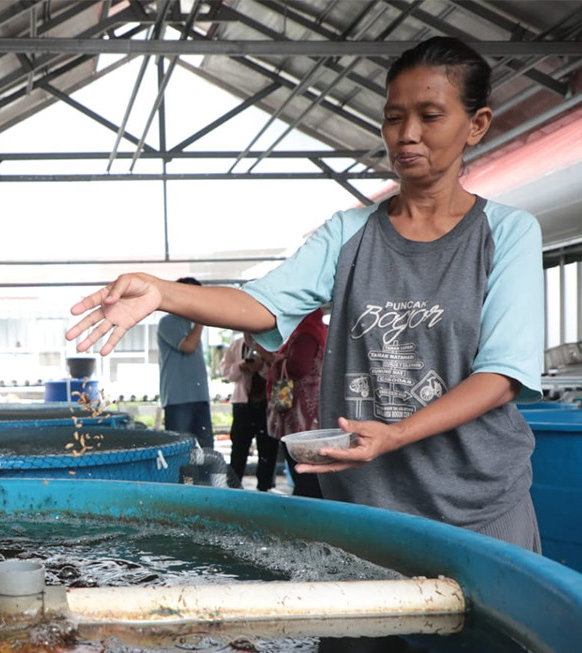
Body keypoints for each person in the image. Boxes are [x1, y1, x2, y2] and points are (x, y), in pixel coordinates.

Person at [66, 37, 544, 552]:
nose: (407, 135)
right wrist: (161, 292)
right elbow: (261, 303)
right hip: (364, 507)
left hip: (479, 506)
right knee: (363, 635)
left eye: (430, 116)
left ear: (477, 124)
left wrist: (395, 434)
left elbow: (501, 377)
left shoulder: (507, 232)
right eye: (393, 117)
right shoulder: (349, 233)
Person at [265, 309, 327, 499]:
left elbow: (299, 367)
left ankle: (308, 510)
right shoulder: (319, 330)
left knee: (303, 467)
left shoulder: (306, 335)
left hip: (302, 413)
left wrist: (273, 358)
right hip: (315, 410)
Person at [156, 277, 214, 449]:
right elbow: (188, 346)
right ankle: (184, 478)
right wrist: (201, 320)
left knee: (205, 451)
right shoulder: (167, 322)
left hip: (200, 397)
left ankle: (205, 478)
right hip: (178, 399)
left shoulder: (192, 324)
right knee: (180, 452)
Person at [221, 332, 277, 491]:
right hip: (243, 403)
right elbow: (226, 372)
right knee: (239, 446)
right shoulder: (236, 344)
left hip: (267, 402)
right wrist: (242, 365)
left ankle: (265, 487)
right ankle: (233, 485)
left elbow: (278, 370)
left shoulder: (272, 343)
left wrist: (261, 365)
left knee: (268, 447)